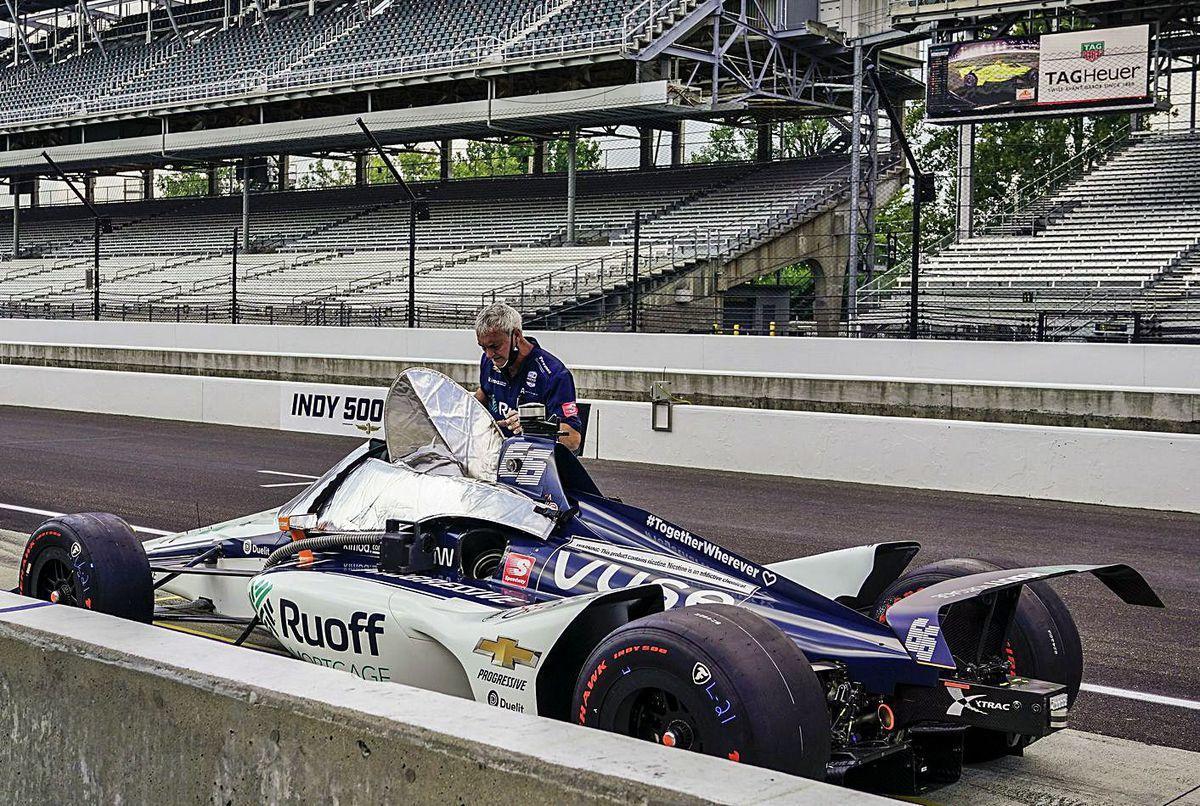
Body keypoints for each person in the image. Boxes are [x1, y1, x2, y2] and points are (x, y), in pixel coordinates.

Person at [473, 303, 582, 452]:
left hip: (536, 459)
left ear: (516, 336)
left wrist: (533, 426)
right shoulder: (488, 360)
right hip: (495, 454)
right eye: (483, 347)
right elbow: (484, 393)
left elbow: (573, 439)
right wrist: (462, 408)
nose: (489, 354)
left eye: (495, 346)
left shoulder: (553, 374)